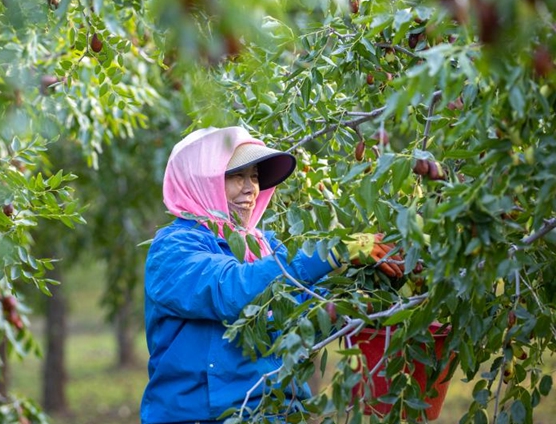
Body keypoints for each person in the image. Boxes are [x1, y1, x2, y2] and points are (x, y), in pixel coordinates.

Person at [140, 126, 403, 424]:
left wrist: (368, 290)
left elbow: (306, 321)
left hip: (277, 413)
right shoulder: (173, 251)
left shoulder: (265, 247)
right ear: (201, 181)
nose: (251, 187)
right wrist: (334, 250)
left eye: (254, 176)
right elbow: (233, 292)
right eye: (236, 175)